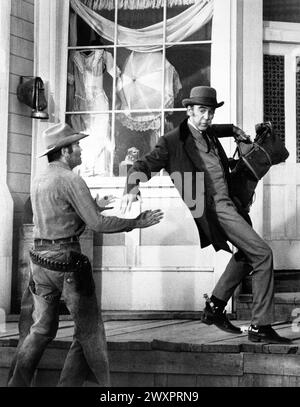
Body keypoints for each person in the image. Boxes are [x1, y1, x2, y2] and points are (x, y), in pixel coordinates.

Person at [121, 86, 291, 344]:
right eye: (201, 111)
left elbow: (221, 128)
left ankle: (214, 308)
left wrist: (233, 129)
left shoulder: (209, 131)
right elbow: (144, 164)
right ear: (189, 110)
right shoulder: (172, 141)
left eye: (210, 112)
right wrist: (132, 187)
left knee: (246, 254)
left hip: (232, 203)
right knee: (263, 254)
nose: (206, 117)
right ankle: (261, 326)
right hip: (213, 208)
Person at [8, 122, 163, 387]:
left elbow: (58, 217)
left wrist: (93, 205)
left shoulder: (40, 178)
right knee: (89, 331)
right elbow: (98, 225)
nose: (81, 149)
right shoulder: (71, 179)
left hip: (40, 264)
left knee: (41, 329)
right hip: (67, 263)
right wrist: (135, 221)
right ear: (66, 151)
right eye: (77, 145)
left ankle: (16, 384)